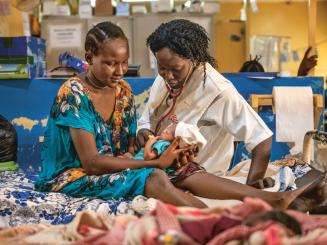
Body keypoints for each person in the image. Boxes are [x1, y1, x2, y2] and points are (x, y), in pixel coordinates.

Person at [137, 19, 273, 188]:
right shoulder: (164, 78)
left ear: (194, 59)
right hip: (160, 171)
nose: (168, 76)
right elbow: (149, 115)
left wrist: (252, 187)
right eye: (162, 67)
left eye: (176, 69)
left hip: (198, 179)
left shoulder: (218, 91)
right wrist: (143, 129)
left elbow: (262, 139)